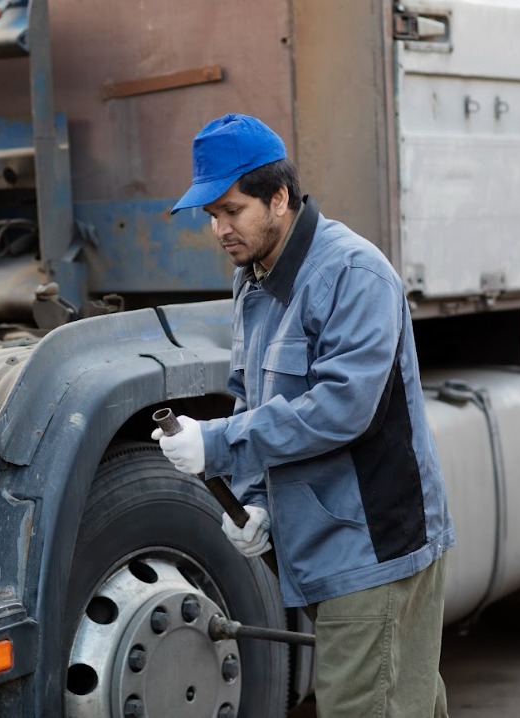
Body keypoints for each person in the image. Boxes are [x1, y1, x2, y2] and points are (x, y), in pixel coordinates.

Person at [151, 113, 454, 717]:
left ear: (280, 196)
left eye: (231, 210)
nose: (219, 230)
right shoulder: (254, 280)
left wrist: (218, 444)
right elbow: (253, 393)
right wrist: (253, 495)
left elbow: (343, 407)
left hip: (374, 550)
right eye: (211, 216)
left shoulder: (353, 274)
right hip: (324, 547)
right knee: (405, 702)